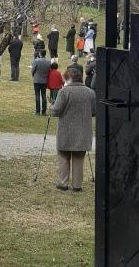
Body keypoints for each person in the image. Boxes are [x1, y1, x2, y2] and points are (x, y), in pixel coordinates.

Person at [51, 64, 96, 192]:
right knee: (78, 158)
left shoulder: (64, 92)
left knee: (64, 157)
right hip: (83, 132)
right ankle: (77, 185)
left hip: (66, 131)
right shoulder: (90, 92)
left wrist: (51, 107)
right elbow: (94, 112)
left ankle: (63, 183)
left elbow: (56, 111)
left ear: (68, 78)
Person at [31, 50, 51, 115]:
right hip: (44, 80)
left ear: (40, 54)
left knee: (37, 95)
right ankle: (44, 111)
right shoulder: (48, 62)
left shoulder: (36, 61)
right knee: (43, 95)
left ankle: (37, 111)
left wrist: (34, 75)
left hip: (37, 80)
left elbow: (32, 70)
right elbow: (49, 71)